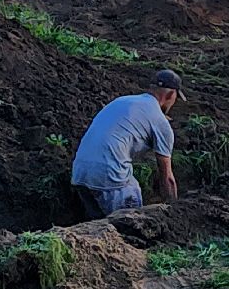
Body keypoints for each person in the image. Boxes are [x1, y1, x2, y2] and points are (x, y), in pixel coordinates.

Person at [71, 70, 183, 218]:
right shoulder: (160, 122)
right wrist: (174, 214)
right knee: (130, 226)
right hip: (109, 177)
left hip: (80, 173)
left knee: (98, 229)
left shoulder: (123, 101)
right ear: (170, 95)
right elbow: (167, 177)